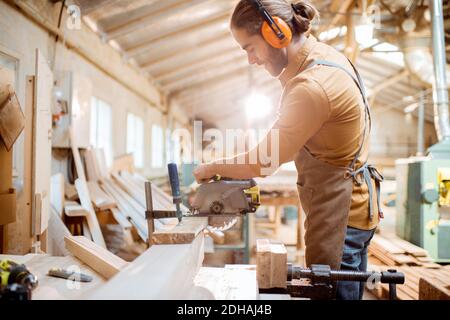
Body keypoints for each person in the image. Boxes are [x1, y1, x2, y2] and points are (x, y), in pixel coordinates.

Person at [193, 0, 383, 300]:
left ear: (276, 33)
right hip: (356, 209)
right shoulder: (324, 57)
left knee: (329, 293)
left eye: (249, 48)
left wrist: (210, 168)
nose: (251, 60)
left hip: (340, 217)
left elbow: (261, 163)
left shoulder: (312, 86)